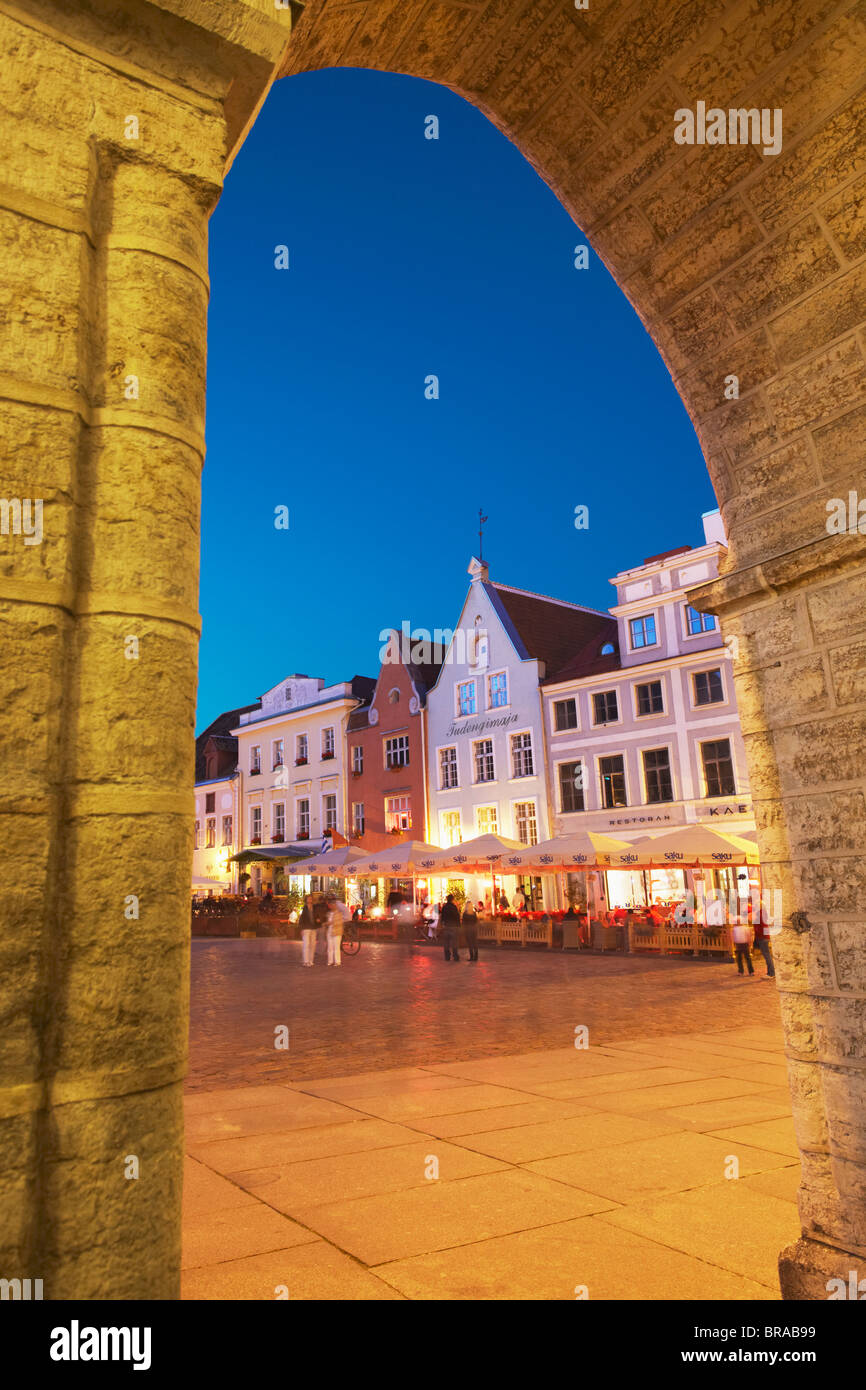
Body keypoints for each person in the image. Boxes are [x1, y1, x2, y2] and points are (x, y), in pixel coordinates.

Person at [750, 897, 776, 978]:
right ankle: (770, 972)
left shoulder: (759, 914)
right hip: (765, 936)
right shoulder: (764, 913)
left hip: (762, 937)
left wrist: (757, 933)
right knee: (767, 954)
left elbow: (760, 926)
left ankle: (771, 973)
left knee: (767, 955)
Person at [327, 893, 350, 966]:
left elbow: (339, 922)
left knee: (336, 947)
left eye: (332, 904)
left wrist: (331, 922)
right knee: (330, 947)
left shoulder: (339, 912)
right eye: (330, 905)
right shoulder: (329, 913)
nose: (331, 906)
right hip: (330, 932)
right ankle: (330, 961)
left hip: (337, 931)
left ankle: (337, 961)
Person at [439, 894, 461, 961]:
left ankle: (447, 956)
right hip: (453, 926)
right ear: (452, 899)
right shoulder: (453, 907)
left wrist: (442, 924)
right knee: (454, 942)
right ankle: (455, 956)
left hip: (446, 926)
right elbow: (457, 916)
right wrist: (458, 925)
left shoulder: (444, 907)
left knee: (446, 942)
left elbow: (442, 917)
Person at [299, 894, 317, 967]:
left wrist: (318, 920)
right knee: (306, 945)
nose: (310, 900)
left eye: (311, 898)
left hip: (313, 928)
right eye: (308, 899)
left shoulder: (314, 908)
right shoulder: (304, 908)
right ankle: (306, 961)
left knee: (312, 945)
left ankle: (311, 960)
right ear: (306, 900)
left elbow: (317, 916)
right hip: (306, 928)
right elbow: (301, 919)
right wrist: (301, 929)